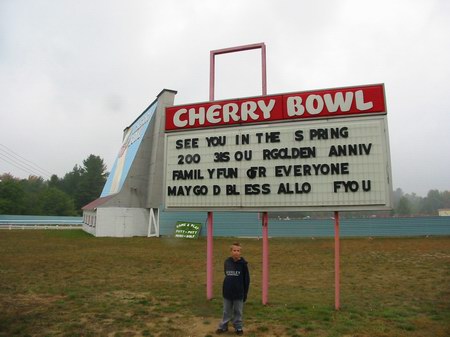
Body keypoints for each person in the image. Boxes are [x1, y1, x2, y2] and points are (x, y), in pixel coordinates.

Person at [216, 242, 250, 335]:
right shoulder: (227, 262)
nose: (236, 252)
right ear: (231, 252)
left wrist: (245, 293)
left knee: (238, 311)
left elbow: (246, 280)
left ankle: (238, 327)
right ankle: (223, 326)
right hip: (227, 292)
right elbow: (226, 274)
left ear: (240, 252)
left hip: (239, 293)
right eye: (234, 250)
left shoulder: (243, 264)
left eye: (238, 251)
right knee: (226, 311)